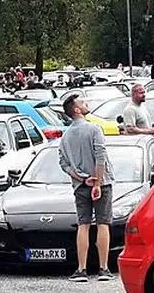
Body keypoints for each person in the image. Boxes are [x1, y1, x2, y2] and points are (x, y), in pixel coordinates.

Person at [58, 94, 114, 283]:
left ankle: (81, 269)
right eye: (82, 102)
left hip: (81, 185)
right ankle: (103, 268)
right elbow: (100, 156)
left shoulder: (66, 136)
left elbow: (63, 163)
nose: (86, 103)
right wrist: (97, 182)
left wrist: (79, 176)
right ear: (76, 109)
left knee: (83, 225)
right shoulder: (94, 129)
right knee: (103, 223)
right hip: (101, 183)